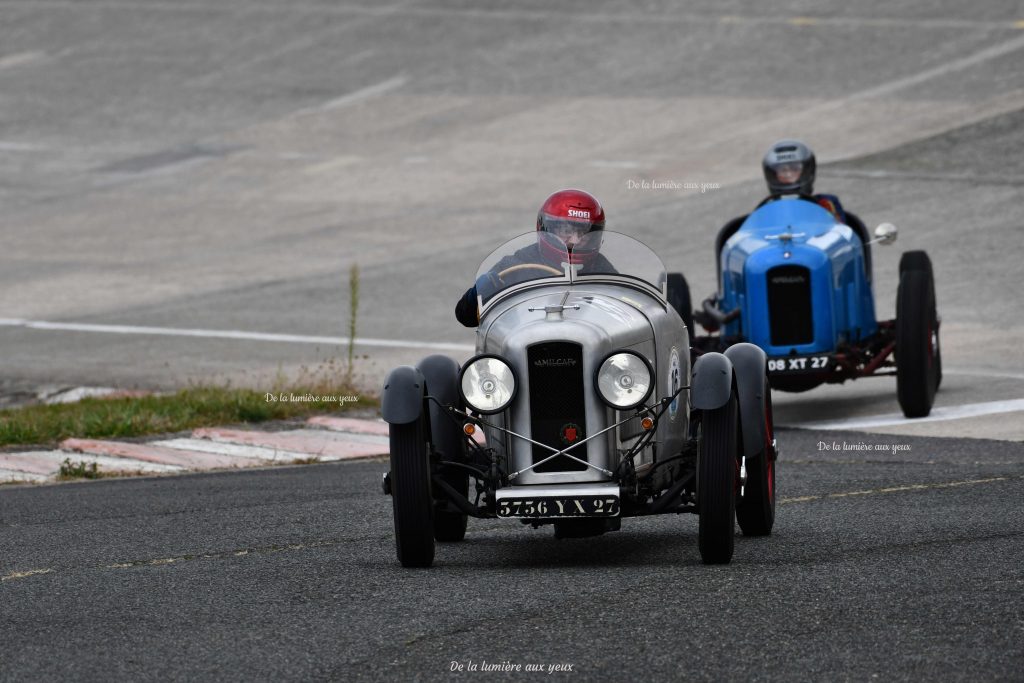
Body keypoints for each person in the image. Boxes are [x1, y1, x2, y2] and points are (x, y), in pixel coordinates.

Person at [714, 139, 872, 280]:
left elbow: (839, 235)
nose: (789, 175)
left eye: (794, 169)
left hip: (818, 262)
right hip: (774, 259)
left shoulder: (826, 203)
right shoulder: (764, 210)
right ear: (772, 175)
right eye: (782, 171)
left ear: (807, 171)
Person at [455, 189, 613, 327]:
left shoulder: (602, 269)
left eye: (583, 233)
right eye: (566, 231)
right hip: (523, 345)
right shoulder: (516, 265)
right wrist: (478, 293)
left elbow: (623, 316)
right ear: (547, 229)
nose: (574, 240)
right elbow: (465, 318)